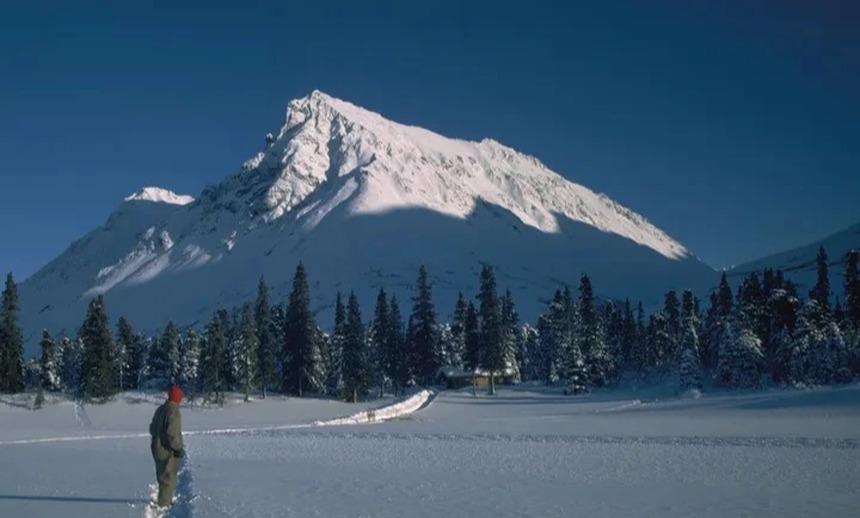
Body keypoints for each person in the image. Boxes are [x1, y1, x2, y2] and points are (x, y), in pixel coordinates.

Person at [149, 384, 186, 508]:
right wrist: (178, 448)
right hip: (165, 449)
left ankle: (163, 501)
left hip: (155, 447)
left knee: (162, 475)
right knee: (168, 478)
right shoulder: (174, 411)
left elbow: (152, 428)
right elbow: (172, 434)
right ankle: (164, 506)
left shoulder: (161, 409)